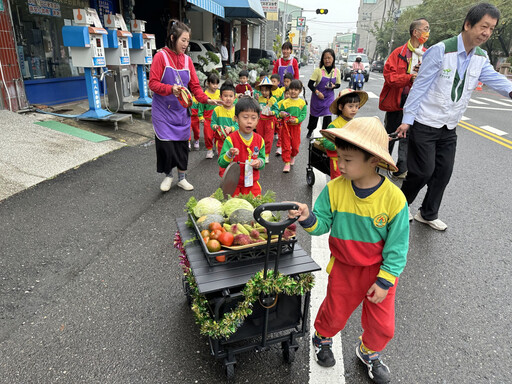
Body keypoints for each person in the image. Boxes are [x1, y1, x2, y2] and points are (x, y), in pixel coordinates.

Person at [288, 117, 409, 384]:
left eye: (348, 159)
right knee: (335, 310)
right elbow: (321, 226)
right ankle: (322, 337)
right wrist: (308, 217)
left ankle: (369, 352)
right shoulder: (334, 189)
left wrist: (385, 280)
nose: (340, 164)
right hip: (344, 268)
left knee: (383, 325)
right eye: (339, 157)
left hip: (380, 271)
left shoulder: (394, 199)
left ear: (373, 160)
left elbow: (398, 245)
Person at [396, 3, 512, 231]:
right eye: (483, 26)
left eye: (491, 28)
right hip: (425, 121)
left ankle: (427, 213)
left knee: (443, 172)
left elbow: (494, 79)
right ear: (468, 24)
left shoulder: (480, 56)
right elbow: (419, 87)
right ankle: (399, 208)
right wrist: (407, 119)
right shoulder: (440, 50)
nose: (487, 33)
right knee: (422, 172)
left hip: (449, 125)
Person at [149, 19, 221, 192]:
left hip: (181, 111)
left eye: (188, 41)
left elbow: (195, 86)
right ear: (173, 38)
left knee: (181, 146)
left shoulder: (188, 60)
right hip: (163, 112)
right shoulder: (161, 56)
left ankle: (182, 178)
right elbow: (152, 83)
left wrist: (206, 99)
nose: (186, 44)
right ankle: (168, 175)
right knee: (166, 145)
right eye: (183, 40)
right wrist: (170, 89)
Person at [379, 18, 429, 179]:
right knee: (391, 135)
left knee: (408, 138)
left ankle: (402, 169)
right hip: (397, 103)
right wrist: (410, 77)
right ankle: (381, 163)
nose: (428, 33)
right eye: (426, 29)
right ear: (416, 32)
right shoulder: (398, 53)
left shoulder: (428, 54)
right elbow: (390, 78)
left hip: (418, 105)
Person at [218, 97, 266, 196]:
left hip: (252, 184)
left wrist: (259, 162)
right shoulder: (230, 140)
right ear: (236, 119)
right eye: (245, 117)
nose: (249, 121)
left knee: (256, 208)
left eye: (253, 118)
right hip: (233, 185)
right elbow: (221, 163)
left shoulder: (260, 140)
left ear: (258, 120)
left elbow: (262, 159)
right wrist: (229, 154)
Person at [318, 88, 368, 179]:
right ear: (341, 107)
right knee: (338, 181)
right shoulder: (334, 125)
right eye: (350, 106)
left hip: (352, 160)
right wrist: (343, 146)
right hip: (338, 160)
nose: (354, 110)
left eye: (357, 106)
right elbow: (327, 143)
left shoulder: (355, 123)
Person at [306, 49, 342, 138]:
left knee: (327, 117)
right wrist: (317, 93)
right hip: (317, 98)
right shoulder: (318, 71)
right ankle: (310, 130)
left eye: (329, 58)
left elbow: (338, 84)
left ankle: (325, 135)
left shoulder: (337, 71)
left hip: (329, 98)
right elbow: (310, 84)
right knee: (314, 117)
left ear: (333, 59)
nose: (327, 60)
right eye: (325, 58)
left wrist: (334, 86)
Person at [278, 80, 307, 173]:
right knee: (286, 145)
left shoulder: (302, 103)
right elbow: (279, 113)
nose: (293, 91)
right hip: (286, 127)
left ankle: (293, 156)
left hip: (296, 128)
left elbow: (303, 114)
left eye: (296, 89)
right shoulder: (285, 102)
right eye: (291, 89)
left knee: (295, 146)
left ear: (300, 91)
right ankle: (286, 162)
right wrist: (281, 114)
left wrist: (297, 120)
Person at [254, 77, 279, 163]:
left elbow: (277, 110)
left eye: (266, 90)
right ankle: (260, 153)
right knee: (259, 137)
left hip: (269, 122)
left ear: (270, 90)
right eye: (262, 90)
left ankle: (266, 154)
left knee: (268, 139)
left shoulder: (273, 99)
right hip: (260, 121)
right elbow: (257, 108)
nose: (264, 92)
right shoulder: (259, 99)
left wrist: (272, 112)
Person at [211, 80, 238, 158]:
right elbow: (212, 123)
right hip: (221, 140)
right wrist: (215, 126)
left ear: (235, 97)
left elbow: (239, 124)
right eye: (225, 96)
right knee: (223, 159)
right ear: (220, 97)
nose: (228, 99)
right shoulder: (217, 110)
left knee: (234, 160)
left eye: (231, 96)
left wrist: (231, 128)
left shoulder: (237, 110)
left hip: (234, 139)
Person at [198, 73, 221, 159]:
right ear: (208, 83)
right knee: (208, 136)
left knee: (219, 135)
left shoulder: (220, 93)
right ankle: (209, 149)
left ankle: (218, 148)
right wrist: (201, 117)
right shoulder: (204, 95)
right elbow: (200, 107)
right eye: (213, 83)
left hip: (219, 119)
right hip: (208, 119)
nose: (215, 86)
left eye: (217, 83)